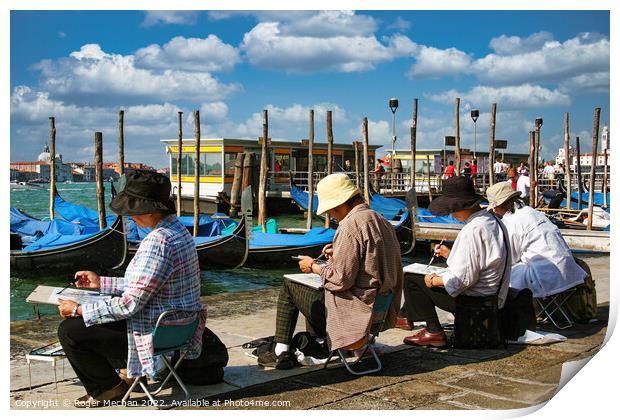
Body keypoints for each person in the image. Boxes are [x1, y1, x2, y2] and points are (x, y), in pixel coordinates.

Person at [57, 169, 206, 407]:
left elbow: (130, 304)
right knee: (94, 320)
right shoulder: (178, 232)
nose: (131, 217)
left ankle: (107, 389)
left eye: (133, 211)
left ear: (146, 211)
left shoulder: (157, 242)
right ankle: (126, 372)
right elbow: (147, 285)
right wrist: (101, 283)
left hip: (155, 332)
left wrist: (79, 311)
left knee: (70, 330)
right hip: (178, 327)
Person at [257, 173, 403, 368]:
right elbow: (373, 258)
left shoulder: (350, 225)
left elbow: (340, 280)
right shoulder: (381, 220)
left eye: (330, 211)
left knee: (290, 286)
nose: (330, 216)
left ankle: (280, 349)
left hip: (356, 313)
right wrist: (338, 252)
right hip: (379, 309)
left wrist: (313, 267)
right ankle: (318, 342)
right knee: (313, 291)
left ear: (339, 204)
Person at [401, 176, 511, 347]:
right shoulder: (494, 221)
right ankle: (412, 320)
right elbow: (481, 262)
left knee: (412, 279)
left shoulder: (473, 230)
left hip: (476, 300)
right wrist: (449, 255)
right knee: (425, 277)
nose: (451, 213)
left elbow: (462, 281)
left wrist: (434, 280)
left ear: (459, 206)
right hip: (495, 296)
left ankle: (433, 330)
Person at [486, 182, 587, 298]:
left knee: (501, 277)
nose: (494, 211)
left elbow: (512, 257)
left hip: (548, 277)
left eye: (494, 208)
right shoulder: (532, 212)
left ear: (500, 205)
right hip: (570, 272)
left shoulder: (511, 222)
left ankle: (514, 312)